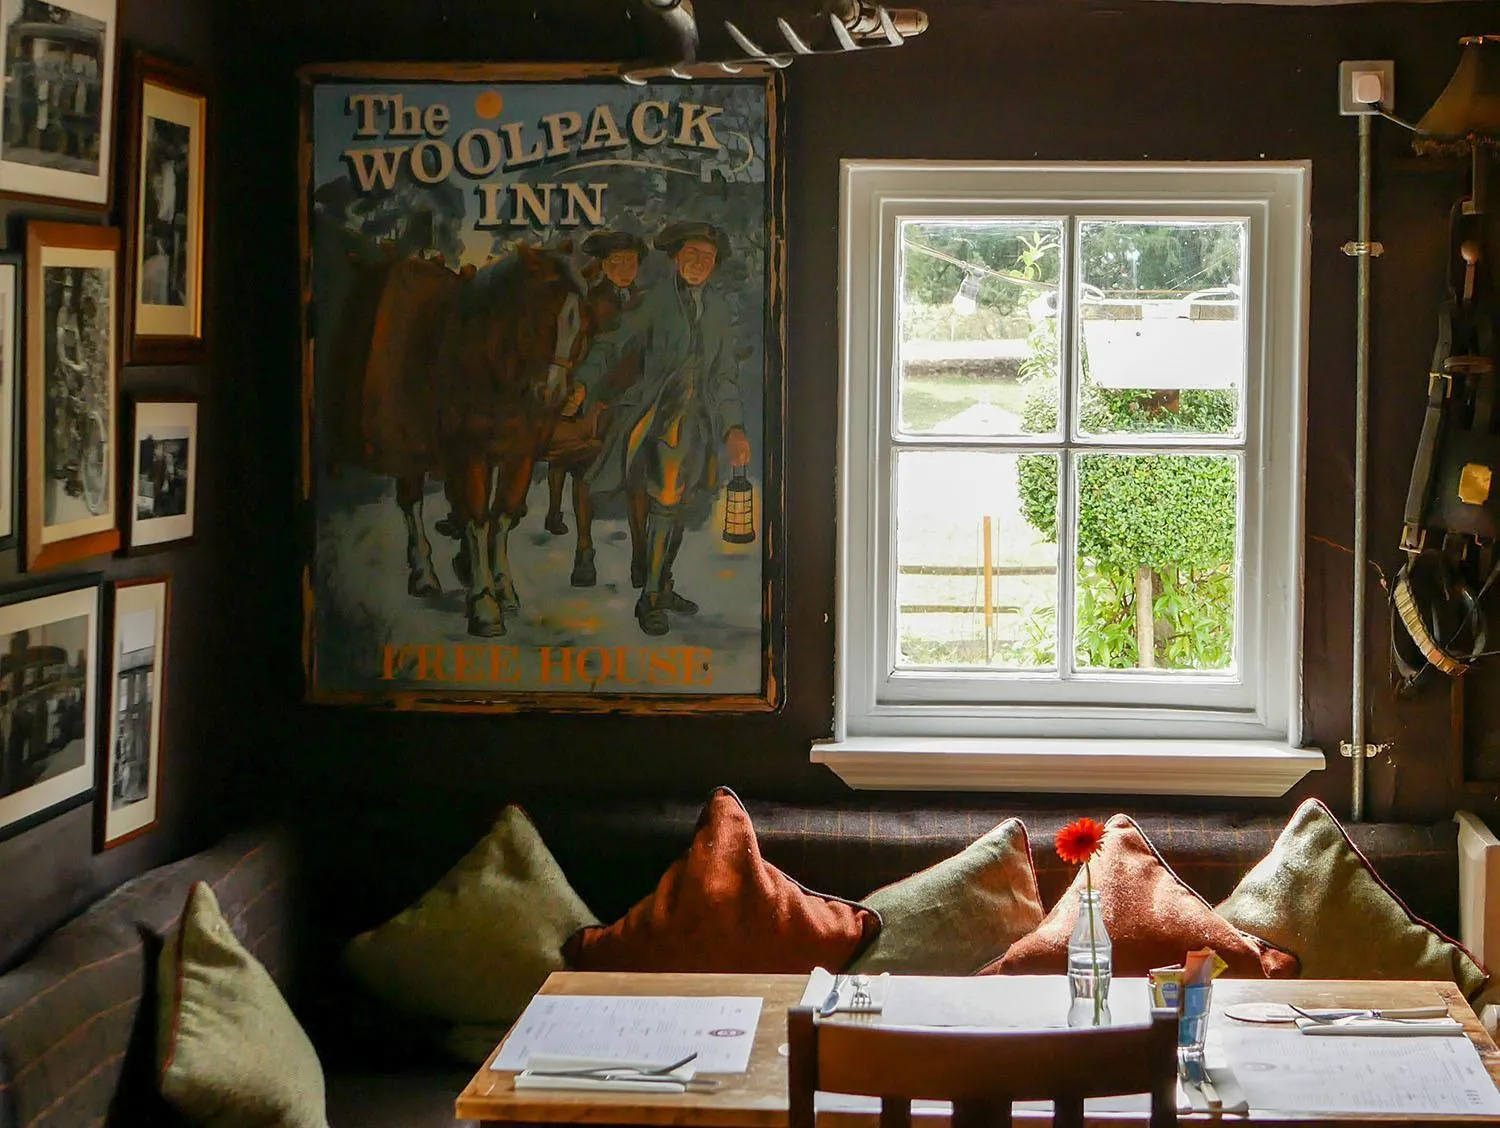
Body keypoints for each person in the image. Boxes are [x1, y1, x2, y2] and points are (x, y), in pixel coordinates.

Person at [563, 220, 752, 636]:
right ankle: (648, 597)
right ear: (674, 259)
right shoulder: (652, 302)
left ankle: (663, 585)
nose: (699, 264)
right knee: (666, 498)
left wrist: (734, 427)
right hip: (657, 414)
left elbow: (724, 376)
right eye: (691, 255)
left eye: (707, 258)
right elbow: (612, 345)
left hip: (702, 419)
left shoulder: (719, 310)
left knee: (682, 504)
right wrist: (581, 382)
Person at [542, 228, 647, 587]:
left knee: (640, 473)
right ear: (602, 265)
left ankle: (640, 556)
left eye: (630, 262)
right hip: (595, 395)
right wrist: (586, 392)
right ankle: (584, 550)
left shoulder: (647, 301)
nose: (623, 269)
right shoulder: (588, 301)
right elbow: (581, 350)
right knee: (584, 468)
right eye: (615, 262)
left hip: (636, 397)